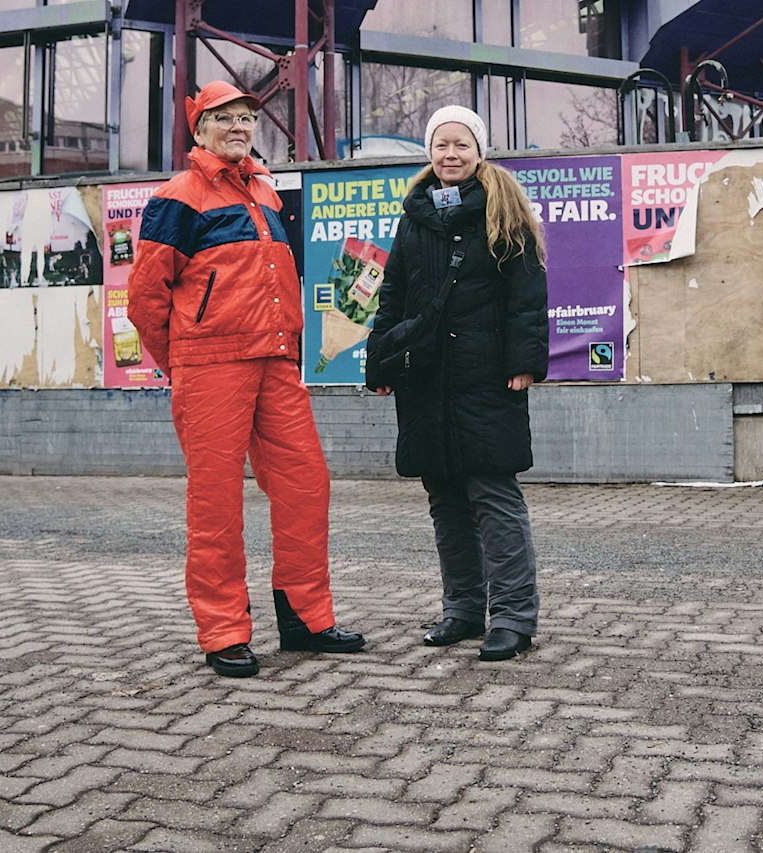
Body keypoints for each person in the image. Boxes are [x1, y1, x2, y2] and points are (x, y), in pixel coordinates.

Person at [129, 80, 364, 678]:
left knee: (307, 484)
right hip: (211, 367)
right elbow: (145, 300)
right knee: (216, 503)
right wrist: (184, 356)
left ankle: (306, 619)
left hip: (276, 361)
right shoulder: (178, 196)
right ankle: (224, 631)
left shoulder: (263, 190)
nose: (239, 127)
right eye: (225, 118)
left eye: (247, 118)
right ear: (199, 128)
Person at [367, 106, 548, 662]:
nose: (451, 154)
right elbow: (393, 291)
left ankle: (514, 617)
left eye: (461, 144)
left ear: (479, 151)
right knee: (444, 496)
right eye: (441, 144)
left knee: (493, 494)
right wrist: (382, 361)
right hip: (426, 379)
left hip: (486, 377)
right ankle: (464, 610)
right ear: (429, 151)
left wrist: (524, 361)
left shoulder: (504, 208)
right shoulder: (414, 215)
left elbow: (527, 293)